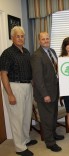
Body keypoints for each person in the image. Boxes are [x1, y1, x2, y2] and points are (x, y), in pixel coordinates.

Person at [0, 26, 37, 156]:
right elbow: (3, 74)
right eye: (18, 36)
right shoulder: (7, 53)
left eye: (22, 36)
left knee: (26, 116)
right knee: (17, 118)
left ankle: (25, 139)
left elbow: (30, 71)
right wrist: (10, 94)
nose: (21, 38)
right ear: (12, 37)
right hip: (14, 87)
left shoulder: (26, 52)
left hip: (27, 87)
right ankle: (19, 148)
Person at [31, 32, 64, 152]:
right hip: (45, 94)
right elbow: (38, 78)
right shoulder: (37, 55)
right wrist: (45, 94)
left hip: (54, 91)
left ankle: (53, 134)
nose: (46, 40)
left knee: (53, 116)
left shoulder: (52, 52)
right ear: (39, 41)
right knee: (46, 118)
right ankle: (50, 142)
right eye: (43, 39)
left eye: (47, 38)